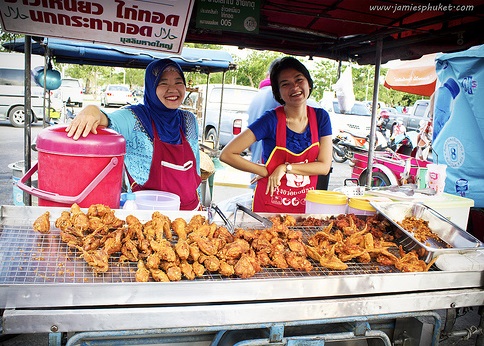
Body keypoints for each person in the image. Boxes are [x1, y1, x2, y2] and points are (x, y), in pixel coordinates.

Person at [66, 59, 201, 210]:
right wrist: (92, 109)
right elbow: (109, 121)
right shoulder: (135, 117)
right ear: (151, 87)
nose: (173, 89)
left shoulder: (189, 120)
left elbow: (195, 168)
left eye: (178, 82)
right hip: (147, 217)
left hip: (191, 213)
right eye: (163, 83)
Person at [220, 57, 332, 213]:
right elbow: (227, 154)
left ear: (308, 82)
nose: (295, 87)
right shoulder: (270, 120)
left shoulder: (321, 118)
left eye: (299, 80)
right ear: (278, 92)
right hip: (270, 205)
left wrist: (285, 168)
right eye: (285, 84)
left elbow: (324, 166)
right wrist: (265, 171)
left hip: (304, 205)